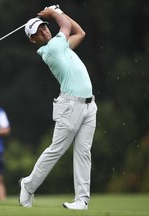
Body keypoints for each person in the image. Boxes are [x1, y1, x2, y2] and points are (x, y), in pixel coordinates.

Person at [19, 6, 97, 210]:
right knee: (56, 150)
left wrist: (58, 11)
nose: (44, 31)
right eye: (38, 32)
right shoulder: (52, 49)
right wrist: (53, 13)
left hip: (89, 105)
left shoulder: (62, 47)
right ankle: (28, 185)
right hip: (70, 106)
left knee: (83, 152)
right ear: (33, 39)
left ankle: (82, 200)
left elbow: (80, 32)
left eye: (44, 27)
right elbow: (66, 26)